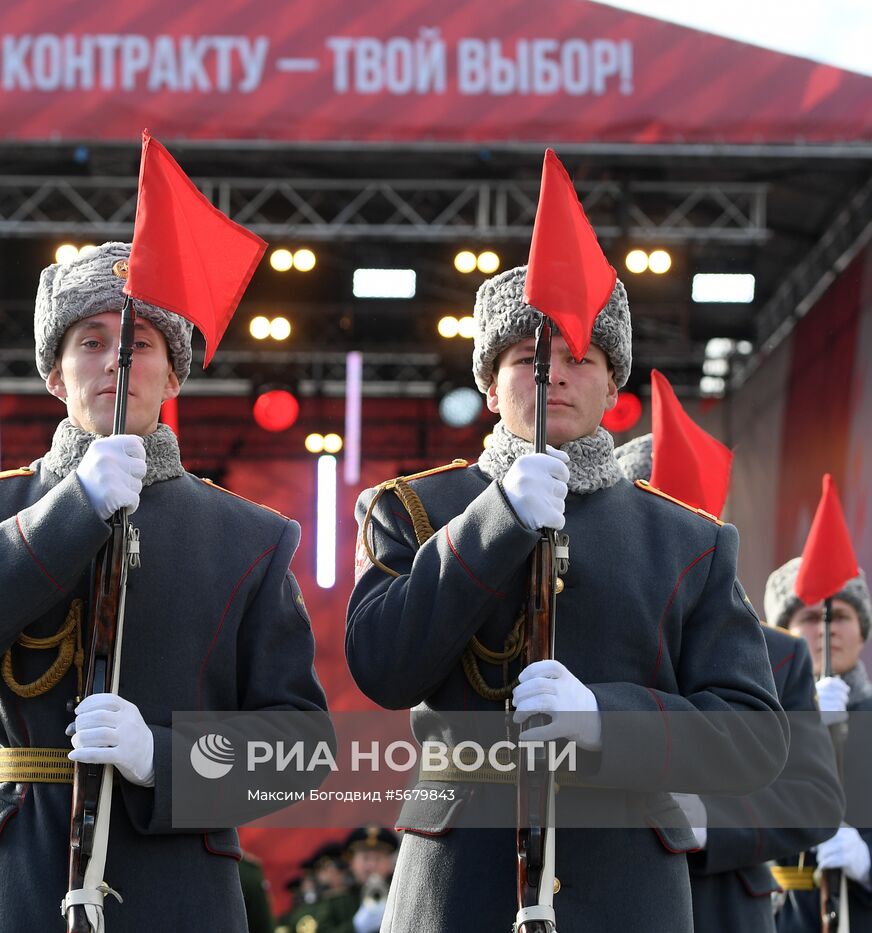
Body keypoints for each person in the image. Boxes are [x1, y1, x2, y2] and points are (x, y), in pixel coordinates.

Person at [0, 241, 328, 931]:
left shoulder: (250, 537)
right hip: (15, 881)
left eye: (141, 343)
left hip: (177, 887)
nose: (116, 361)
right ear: (57, 376)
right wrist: (74, 507)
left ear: (174, 375)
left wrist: (165, 757)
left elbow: (301, 751)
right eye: (91, 341)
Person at [346, 265, 786, 932]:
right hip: (458, 887)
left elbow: (753, 736)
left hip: (628, 892)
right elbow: (382, 666)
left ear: (614, 383)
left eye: (579, 356)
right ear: (490, 386)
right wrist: (498, 521)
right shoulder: (414, 507)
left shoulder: (689, 539)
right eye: (527, 357)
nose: (552, 373)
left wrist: (604, 716)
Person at [614, 434, 843, 932]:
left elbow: (815, 800)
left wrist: (706, 820)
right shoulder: (588, 643)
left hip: (722, 909)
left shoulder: (779, 655)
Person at [766, 560, 872, 931]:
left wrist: (867, 862)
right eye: (810, 618)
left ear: (862, 632)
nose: (827, 630)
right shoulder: (760, 721)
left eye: (840, 615)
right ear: (784, 634)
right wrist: (804, 722)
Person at [343, 826, 396, 933]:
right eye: (365, 858)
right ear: (352, 863)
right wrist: (355, 928)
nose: (371, 866)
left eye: (378, 858)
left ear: (390, 864)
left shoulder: (401, 896)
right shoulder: (338, 901)